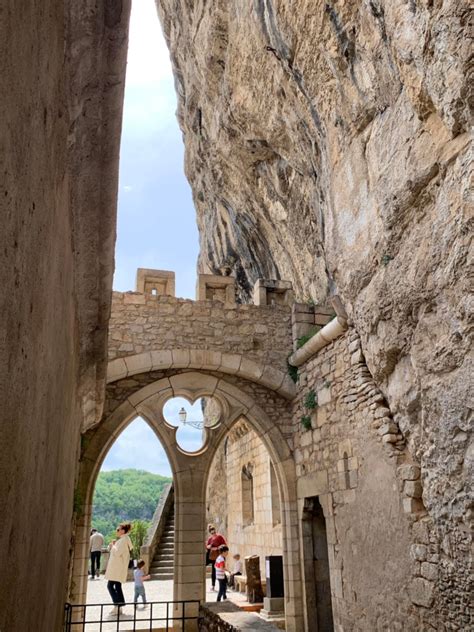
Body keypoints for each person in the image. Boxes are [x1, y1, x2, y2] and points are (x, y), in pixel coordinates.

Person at [105, 522, 133, 616]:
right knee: (117, 586)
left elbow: (117, 553)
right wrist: (112, 546)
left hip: (117, 568)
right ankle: (119, 607)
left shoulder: (123, 540)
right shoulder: (123, 540)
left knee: (110, 586)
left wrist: (113, 546)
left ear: (123, 531)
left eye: (118, 530)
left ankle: (117, 605)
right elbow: (115, 551)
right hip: (118, 567)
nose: (117, 531)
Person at [205, 524, 226, 591]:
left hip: (218, 556)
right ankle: (213, 585)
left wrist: (216, 548)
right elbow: (207, 547)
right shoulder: (210, 539)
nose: (213, 532)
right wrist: (209, 547)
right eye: (211, 531)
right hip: (211, 556)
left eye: (213, 530)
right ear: (210, 532)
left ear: (215, 530)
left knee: (217, 571)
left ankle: (216, 585)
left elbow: (224, 545)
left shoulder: (219, 537)